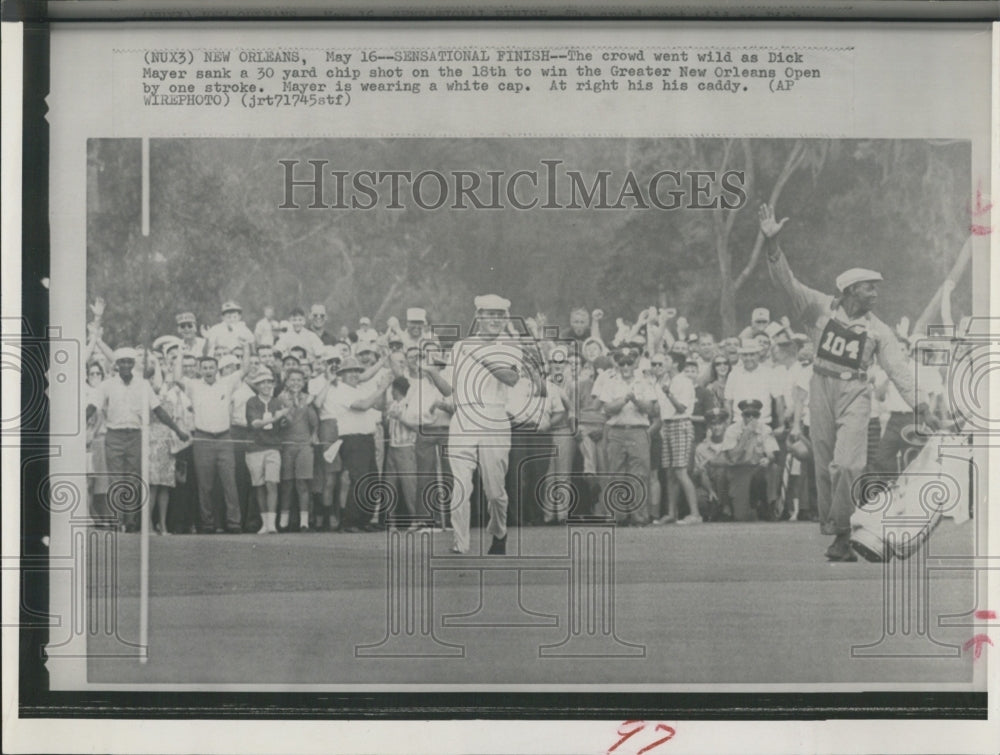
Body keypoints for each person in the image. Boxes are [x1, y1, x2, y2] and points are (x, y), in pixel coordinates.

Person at [759, 202, 934, 561]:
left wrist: (921, 405)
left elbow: (899, 369)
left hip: (855, 392)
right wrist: (772, 246)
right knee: (824, 466)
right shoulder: (819, 308)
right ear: (852, 290)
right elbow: (786, 284)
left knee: (848, 464)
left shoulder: (878, 330)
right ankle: (838, 536)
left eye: (876, 289)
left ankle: (847, 526)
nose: (875, 294)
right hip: (820, 387)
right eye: (869, 289)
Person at [447, 294, 521, 555]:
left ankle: (499, 531)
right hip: (465, 415)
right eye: (490, 314)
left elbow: (511, 378)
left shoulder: (510, 346)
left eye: (500, 315)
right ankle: (460, 544)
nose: (495, 320)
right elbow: (448, 387)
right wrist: (431, 373)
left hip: (494, 416)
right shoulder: (460, 346)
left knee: (494, 489)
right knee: (460, 484)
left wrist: (481, 357)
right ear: (478, 316)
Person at [98, 348, 189, 532]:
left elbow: (158, 410)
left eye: (128, 362)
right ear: (116, 364)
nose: (125, 365)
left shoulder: (143, 385)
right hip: (114, 434)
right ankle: (117, 522)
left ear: (133, 364)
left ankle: (130, 523)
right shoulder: (107, 385)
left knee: (133, 479)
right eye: (121, 362)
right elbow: (94, 406)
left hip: (135, 435)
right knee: (116, 479)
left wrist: (177, 430)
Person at [174, 350, 249, 534]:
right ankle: (207, 523)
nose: (208, 370)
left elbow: (245, 368)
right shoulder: (193, 385)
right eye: (205, 367)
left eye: (211, 367)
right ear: (199, 369)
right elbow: (177, 377)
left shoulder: (226, 383)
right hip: (203, 439)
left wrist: (246, 344)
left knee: (229, 483)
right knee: (205, 485)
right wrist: (181, 353)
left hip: (224, 438)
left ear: (217, 369)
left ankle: (234, 523)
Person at [594, 343, 656, 526]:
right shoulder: (611, 383)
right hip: (617, 431)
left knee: (640, 474)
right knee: (616, 473)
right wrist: (624, 399)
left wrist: (635, 399)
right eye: (622, 363)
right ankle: (619, 516)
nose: (626, 367)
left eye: (629, 363)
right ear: (617, 364)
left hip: (638, 430)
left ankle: (639, 517)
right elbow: (607, 408)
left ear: (635, 363)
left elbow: (650, 408)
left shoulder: (645, 382)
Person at [656, 352, 700, 524]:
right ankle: (671, 513)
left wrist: (669, 394)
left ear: (674, 364)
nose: (662, 362)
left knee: (681, 471)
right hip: (667, 425)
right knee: (670, 472)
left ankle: (695, 514)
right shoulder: (668, 381)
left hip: (680, 424)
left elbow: (682, 408)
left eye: (666, 359)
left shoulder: (684, 382)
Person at [244, 368, 289, 534]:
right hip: (254, 449)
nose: (266, 385)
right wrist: (277, 417)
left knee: (272, 483)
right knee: (259, 485)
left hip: (273, 448)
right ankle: (264, 523)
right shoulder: (252, 402)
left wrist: (284, 418)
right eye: (262, 382)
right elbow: (255, 423)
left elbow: (285, 423)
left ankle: (271, 524)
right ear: (256, 385)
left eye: (269, 382)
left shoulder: (278, 402)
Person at [720, 399, 779, 519]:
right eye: (747, 415)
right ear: (742, 415)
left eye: (755, 415)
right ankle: (734, 507)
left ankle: (768, 504)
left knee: (774, 468)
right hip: (739, 470)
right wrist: (746, 435)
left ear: (759, 416)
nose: (751, 418)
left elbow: (771, 453)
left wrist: (768, 459)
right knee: (741, 516)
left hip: (757, 469)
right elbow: (733, 458)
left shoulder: (765, 429)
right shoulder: (732, 430)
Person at [276, 367, 319, 531]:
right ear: (286, 382)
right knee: (286, 484)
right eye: (292, 380)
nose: (295, 383)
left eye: (299, 380)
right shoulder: (280, 399)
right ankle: (283, 522)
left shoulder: (308, 399)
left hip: (304, 445)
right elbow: (280, 424)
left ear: (304, 382)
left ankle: (304, 522)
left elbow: (314, 422)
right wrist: (286, 414)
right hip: (287, 445)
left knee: (302, 483)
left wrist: (314, 434)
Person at [724, 339, 775, 428]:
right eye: (745, 355)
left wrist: (781, 425)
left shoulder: (769, 373)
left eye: (752, 354)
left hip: (763, 422)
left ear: (758, 355)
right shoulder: (734, 374)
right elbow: (728, 401)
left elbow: (779, 399)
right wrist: (728, 424)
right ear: (741, 356)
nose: (748, 358)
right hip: (739, 422)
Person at [693, 407, 732, 521]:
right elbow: (697, 472)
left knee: (721, 470)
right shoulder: (701, 448)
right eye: (713, 424)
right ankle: (715, 508)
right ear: (709, 426)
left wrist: (712, 462)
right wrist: (710, 490)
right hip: (708, 485)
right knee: (699, 498)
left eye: (720, 424)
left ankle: (724, 506)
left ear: (725, 425)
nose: (716, 427)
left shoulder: (732, 443)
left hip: (729, 487)